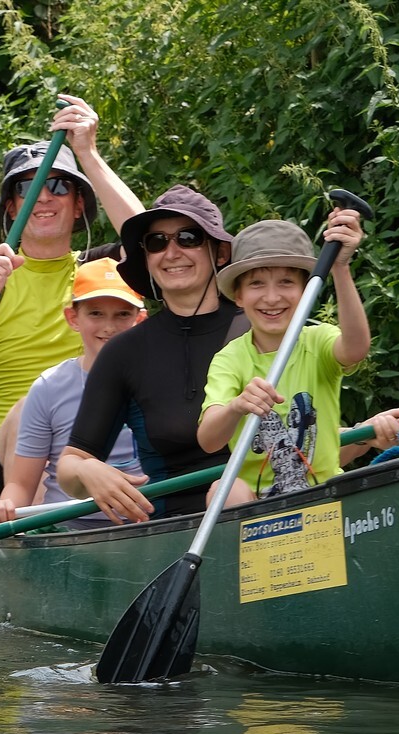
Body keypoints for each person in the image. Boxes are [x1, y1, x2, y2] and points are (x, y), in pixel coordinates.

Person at [0, 95, 144, 510]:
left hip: (102, 436)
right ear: (12, 205)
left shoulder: (100, 269)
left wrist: (86, 152)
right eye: (27, 187)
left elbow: (146, 242)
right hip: (11, 461)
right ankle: (36, 532)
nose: (44, 196)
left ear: (77, 205)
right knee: (34, 402)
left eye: (57, 185)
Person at [56, 185, 245, 522]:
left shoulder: (261, 328)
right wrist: (89, 471)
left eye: (188, 238)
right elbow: (69, 467)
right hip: (172, 533)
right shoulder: (124, 351)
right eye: (157, 242)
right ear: (146, 257)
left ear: (219, 253)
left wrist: (365, 436)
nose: (171, 252)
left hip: (273, 512)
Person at [197, 215, 399, 506]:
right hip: (259, 512)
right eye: (257, 284)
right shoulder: (229, 359)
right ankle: (249, 550)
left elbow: (356, 348)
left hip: (324, 498)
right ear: (239, 296)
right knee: (225, 488)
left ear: (306, 291)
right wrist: (236, 406)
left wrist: (340, 268)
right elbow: (209, 440)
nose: (272, 297)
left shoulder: (319, 340)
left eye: (286, 282)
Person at [0, 258, 146, 529]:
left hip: (147, 523)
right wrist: (5, 507)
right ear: (73, 318)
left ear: (140, 319)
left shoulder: (161, 376)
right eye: (96, 313)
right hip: (69, 526)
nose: (109, 327)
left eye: (122, 314)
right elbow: (20, 485)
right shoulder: (49, 387)